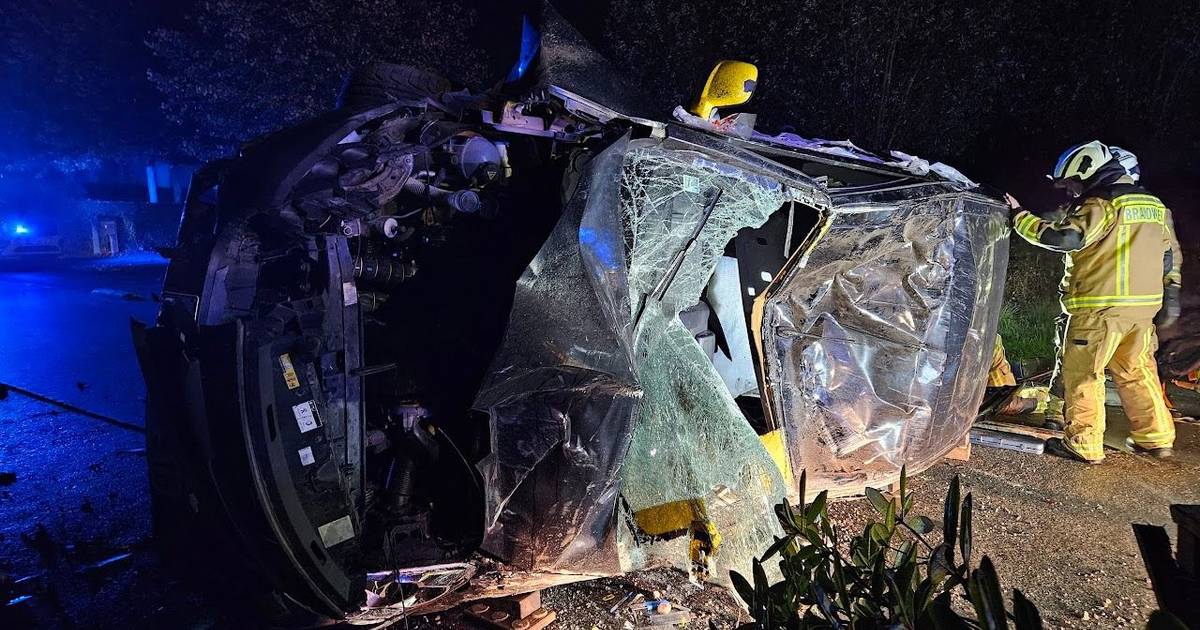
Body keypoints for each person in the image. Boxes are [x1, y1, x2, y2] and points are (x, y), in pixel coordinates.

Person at [1006, 141, 1183, 463]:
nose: (1071, 190)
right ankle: (1156, 438)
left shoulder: (1102, 203)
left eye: (1072, 182)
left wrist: (1020, 217)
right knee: (1136, 371)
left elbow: (1065, 239)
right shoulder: (1153, 205)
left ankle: (1084, 444)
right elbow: (1169, 257)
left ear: (1087, 172)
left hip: (1099, 308)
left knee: (1084, 373)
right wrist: (1170, 298)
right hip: (1143, 309)